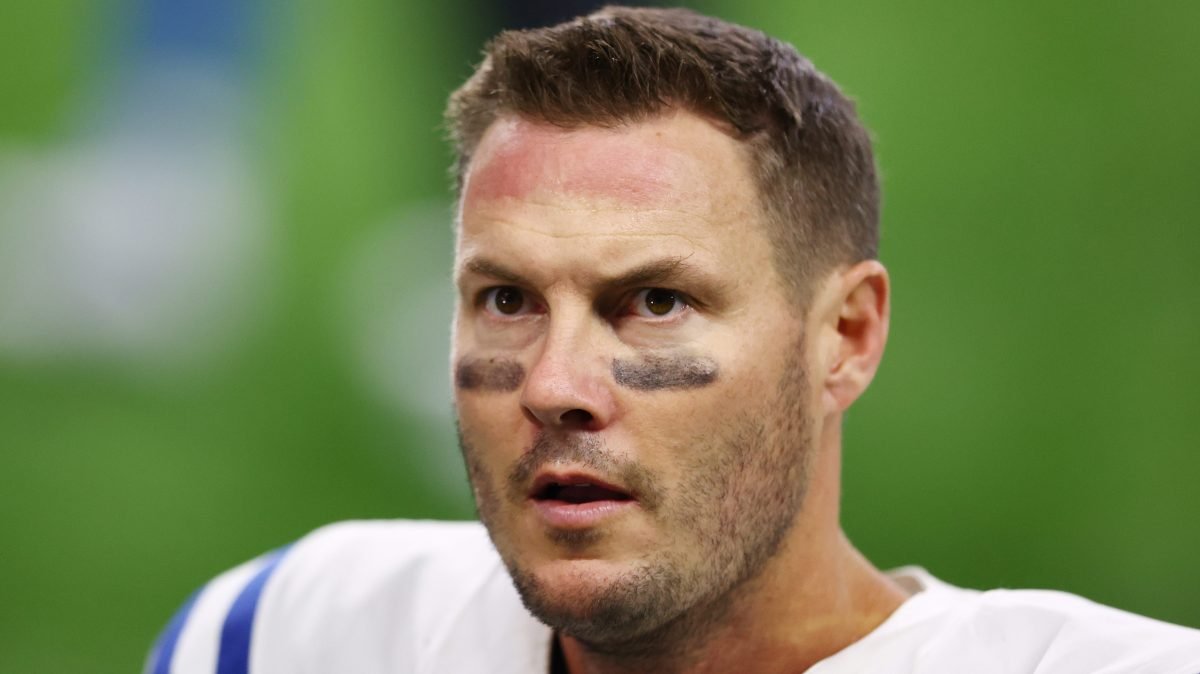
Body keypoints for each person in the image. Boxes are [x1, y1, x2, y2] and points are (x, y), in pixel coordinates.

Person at [146, 6, 1200, 674]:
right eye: (507, 299)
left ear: (844, 336)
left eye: (654, 302)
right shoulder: (288, 633)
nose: (554, 384)